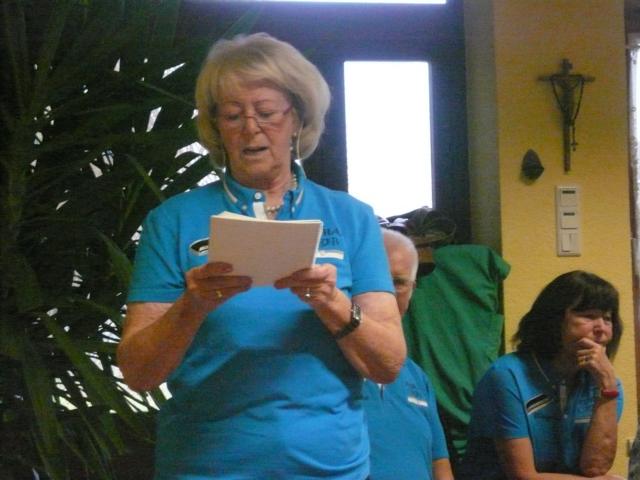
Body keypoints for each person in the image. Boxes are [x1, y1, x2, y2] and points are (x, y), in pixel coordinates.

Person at [116, 33, 405, 479]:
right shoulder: (172, 221)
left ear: (298, 119)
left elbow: (387, 365)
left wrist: (331, 302)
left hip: (329, 469)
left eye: (266, 113)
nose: (250, 128)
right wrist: (193, 305)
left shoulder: (351, 217)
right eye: (232, 115)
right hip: (205, 468)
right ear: (216, 127)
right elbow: (138, 373)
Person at [459, 270, 624, 480]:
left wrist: (608, 387)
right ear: (554, 319)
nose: (601, 328)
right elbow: (523, 476)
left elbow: (594, 469)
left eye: (607, 319)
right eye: (588, 316)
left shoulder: (608, 385)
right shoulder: (508, 375)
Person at [362, 229, 454, 480]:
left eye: (399, 283)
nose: (388, 293)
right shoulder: (321, 368)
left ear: (412, 290)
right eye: (378, 278)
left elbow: (440, 464)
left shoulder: (416, 376)